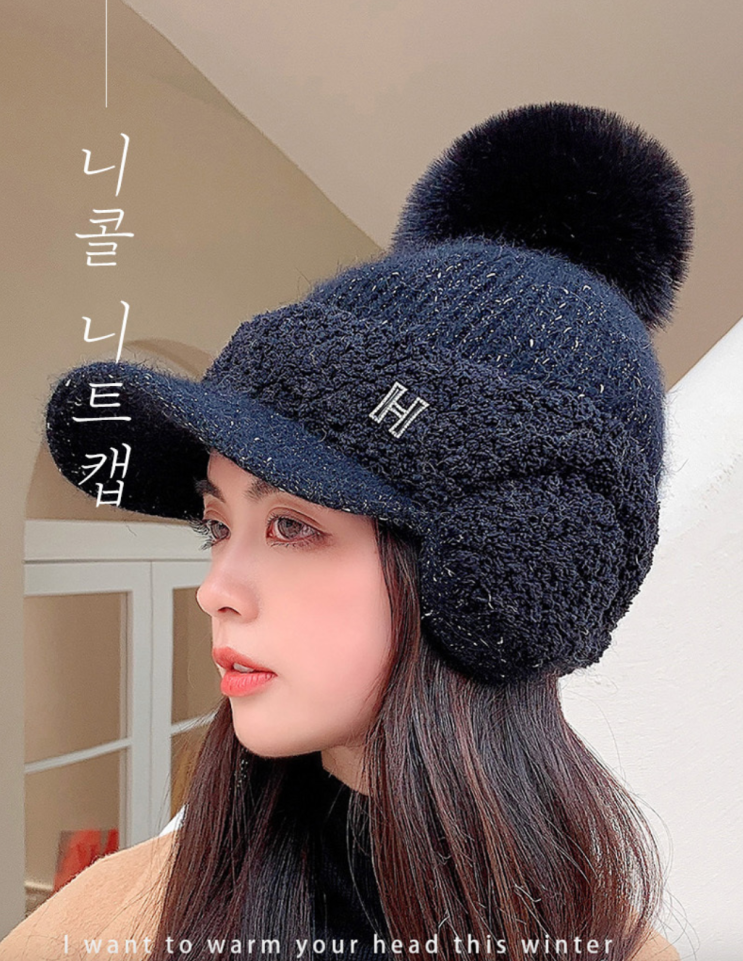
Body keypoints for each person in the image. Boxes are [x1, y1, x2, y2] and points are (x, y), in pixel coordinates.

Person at [0, 102, 692, 961]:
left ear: (510, 580)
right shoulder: (96, 930)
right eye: (217, 524)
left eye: (292, 524)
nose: (215, 590)